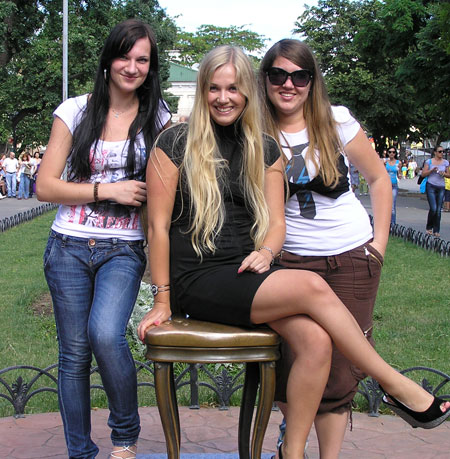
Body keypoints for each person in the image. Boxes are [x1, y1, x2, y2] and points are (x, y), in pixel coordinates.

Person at [137, 45, 450, 459]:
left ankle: (293, 452)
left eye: (233, 88)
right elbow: (157, 227)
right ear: (202, 90)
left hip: (247, 272)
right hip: (198, 277)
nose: (223, 98)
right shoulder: (174, 143)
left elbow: (277, 224)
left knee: (316, 341)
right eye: (214, 88)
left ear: (247, 92)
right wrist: (162, 299)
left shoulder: (264, 147)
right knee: (311, 286)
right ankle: (396, 386)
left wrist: (268, 251)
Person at [36, 19, 170, 459]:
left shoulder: (159, 118)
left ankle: (124, 438)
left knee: (107, 335)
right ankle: (80, 451)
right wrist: (107, 190)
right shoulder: (75, 111)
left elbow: (164, 195)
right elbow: (45, 187)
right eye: (124, 56)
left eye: (142, 60)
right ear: (108, 60)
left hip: (123, 248)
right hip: (68, 246)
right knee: (74, 353)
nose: (132, 67)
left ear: (151, 67)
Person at [258, 38, 394, 458]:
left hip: (349, 255)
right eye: (278, 75)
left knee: (341, 368)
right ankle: (292, 444)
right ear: (265, 79)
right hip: (290, 260)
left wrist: (379, 245)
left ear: (312, 81)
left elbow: (379, 179)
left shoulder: (336, 121)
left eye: (299, 76)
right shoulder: (254, 128)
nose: (289, 85)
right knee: (293, 358)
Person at [420, 146, 450, 237]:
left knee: (438, 210)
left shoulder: (445, 162)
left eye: (443, 151)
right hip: (431, 186)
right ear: (435, 152)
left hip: (441, 186)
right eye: (440, 151)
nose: (442, 153)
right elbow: (423, 174)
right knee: (433, 208)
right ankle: (429, 227)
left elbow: (449, 175)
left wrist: (444, 174)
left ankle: (436, 230)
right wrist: (431, 170)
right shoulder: (429, 162)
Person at [385, 147, 401, 224]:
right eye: (390, 152)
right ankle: (385, 223)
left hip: (394, 185)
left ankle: (393, 224)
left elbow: (399, 174)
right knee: (385, 204)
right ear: (387, 153)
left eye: (393, 152)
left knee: (392, 206)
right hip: (385, 185)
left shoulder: (398, 162)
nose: (392, 153)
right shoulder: (385, 162)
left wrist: (400, 175)